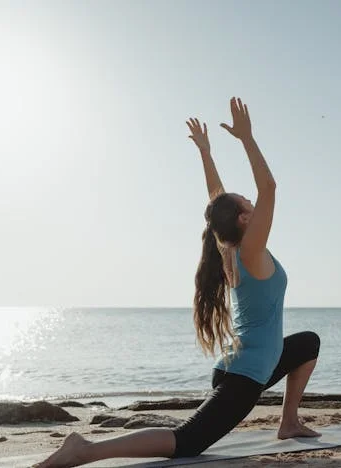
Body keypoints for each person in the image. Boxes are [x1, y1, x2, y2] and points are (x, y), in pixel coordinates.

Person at [35, 98, 321, 468]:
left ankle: (289, 422)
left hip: (240, 363)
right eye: (247, 201)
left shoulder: (228, 247)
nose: (253, 200)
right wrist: (247, 139)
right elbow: (268, 186)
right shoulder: (249, 251)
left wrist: (206, 152)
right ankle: (85, 449)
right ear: (245, 218)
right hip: (245, 374)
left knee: (307, 343)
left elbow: (217, 200)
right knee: (188, 441)